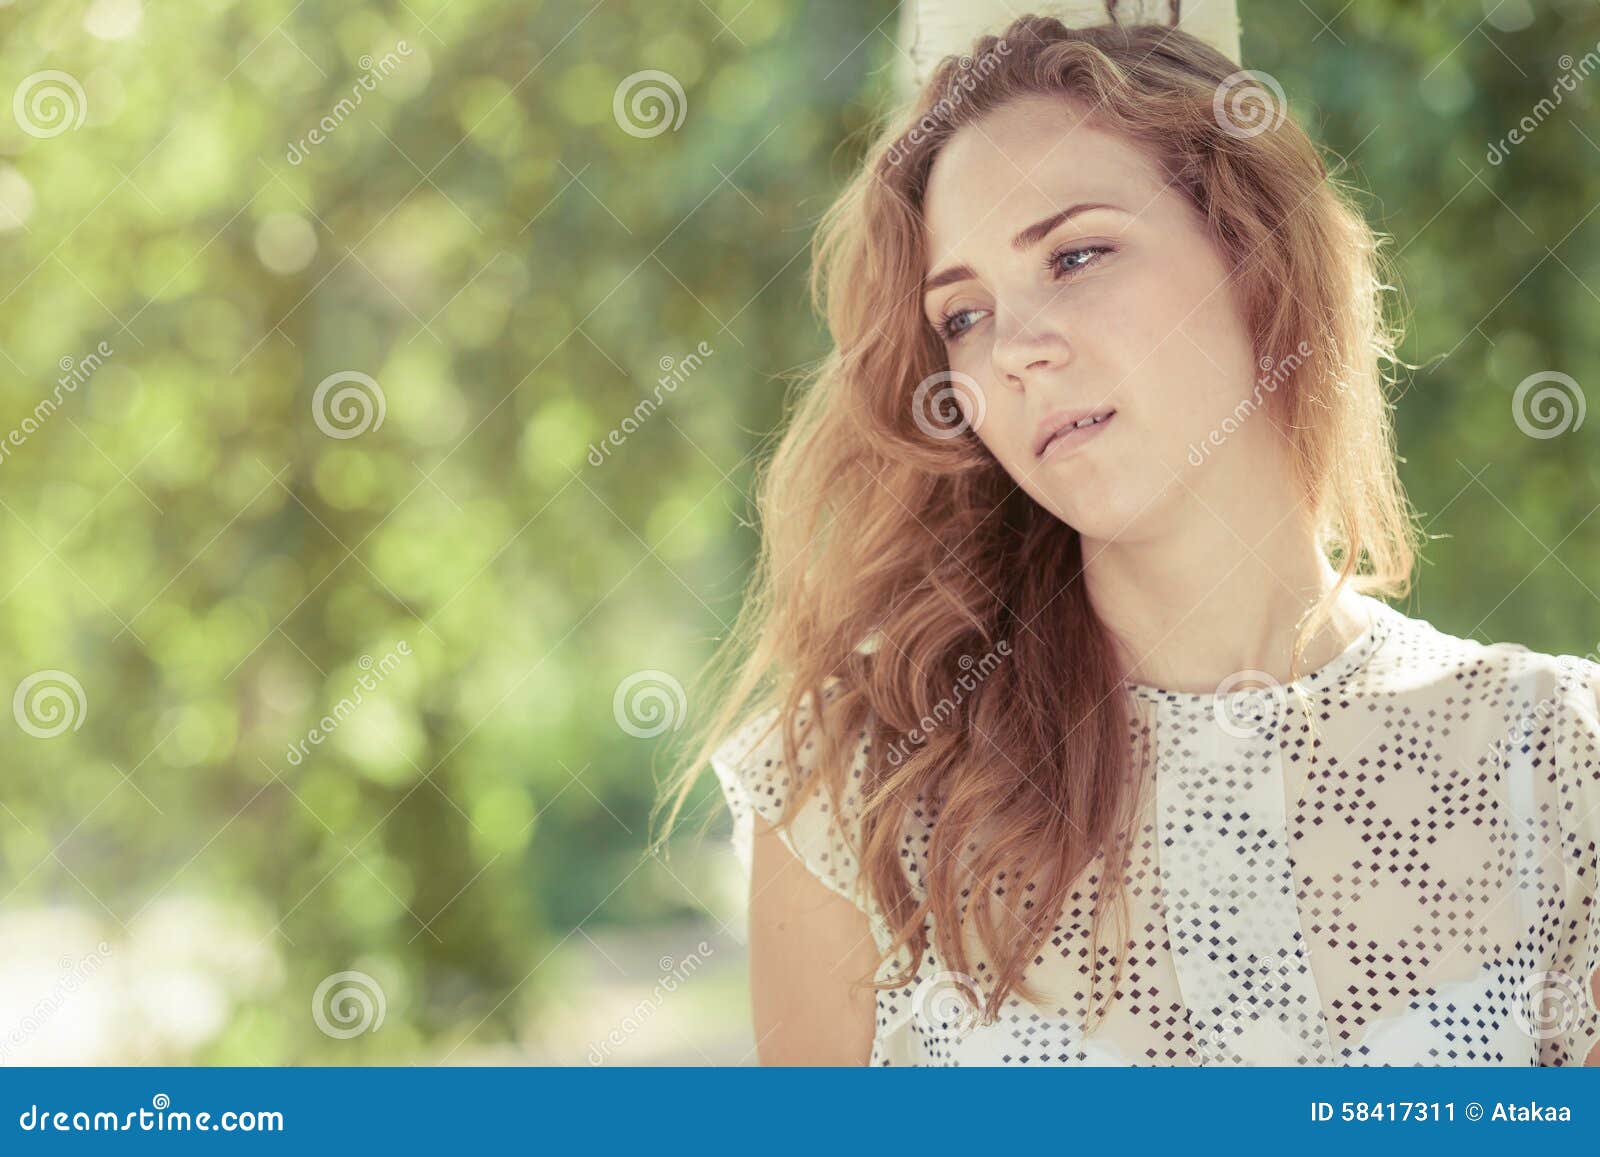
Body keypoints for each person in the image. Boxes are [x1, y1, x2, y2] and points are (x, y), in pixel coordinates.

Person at [655, 14, 1600, 1067]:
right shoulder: (859, 792)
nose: (1015, 349)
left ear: (1252, 251)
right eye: (962, 316)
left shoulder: (1559, 758)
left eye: (1075, 253)